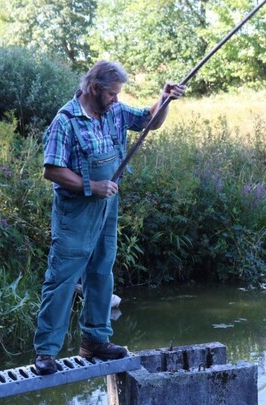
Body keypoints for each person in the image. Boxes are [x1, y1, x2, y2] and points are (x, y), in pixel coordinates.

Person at [33, 60, 185, 375]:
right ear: (93, 88)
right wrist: (92, 186)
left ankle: (95, 342)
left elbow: (148, 121)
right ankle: (46, 353)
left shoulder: (114, 111)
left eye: (117, 94)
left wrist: (164, 98)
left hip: (106, 208)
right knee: (61, 280)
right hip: (75, 212)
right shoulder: (66, 121)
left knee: (101, 274)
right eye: (112, 94)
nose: (116, 99)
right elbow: (52, 170)